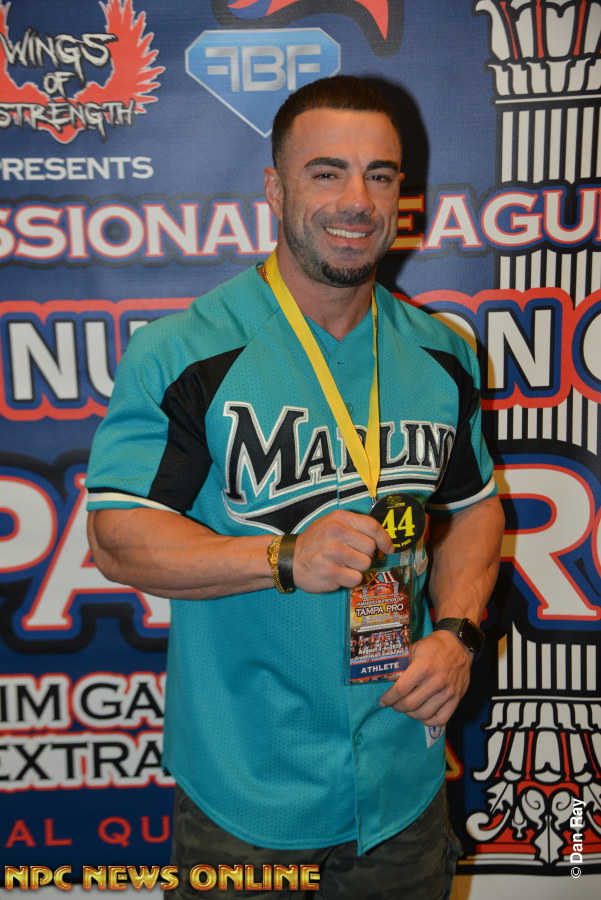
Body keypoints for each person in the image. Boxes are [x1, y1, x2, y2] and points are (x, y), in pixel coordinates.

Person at [86, 75, 505, 899]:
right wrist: (280, 557)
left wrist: (457, 631)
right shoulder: (188, 352)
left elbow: (473, 509)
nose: (356, 201)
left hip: (403, 776)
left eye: (379, 175)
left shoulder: (441, 353)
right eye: (326, 172)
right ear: (275, 189)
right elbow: (118, 540)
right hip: (248, 792)